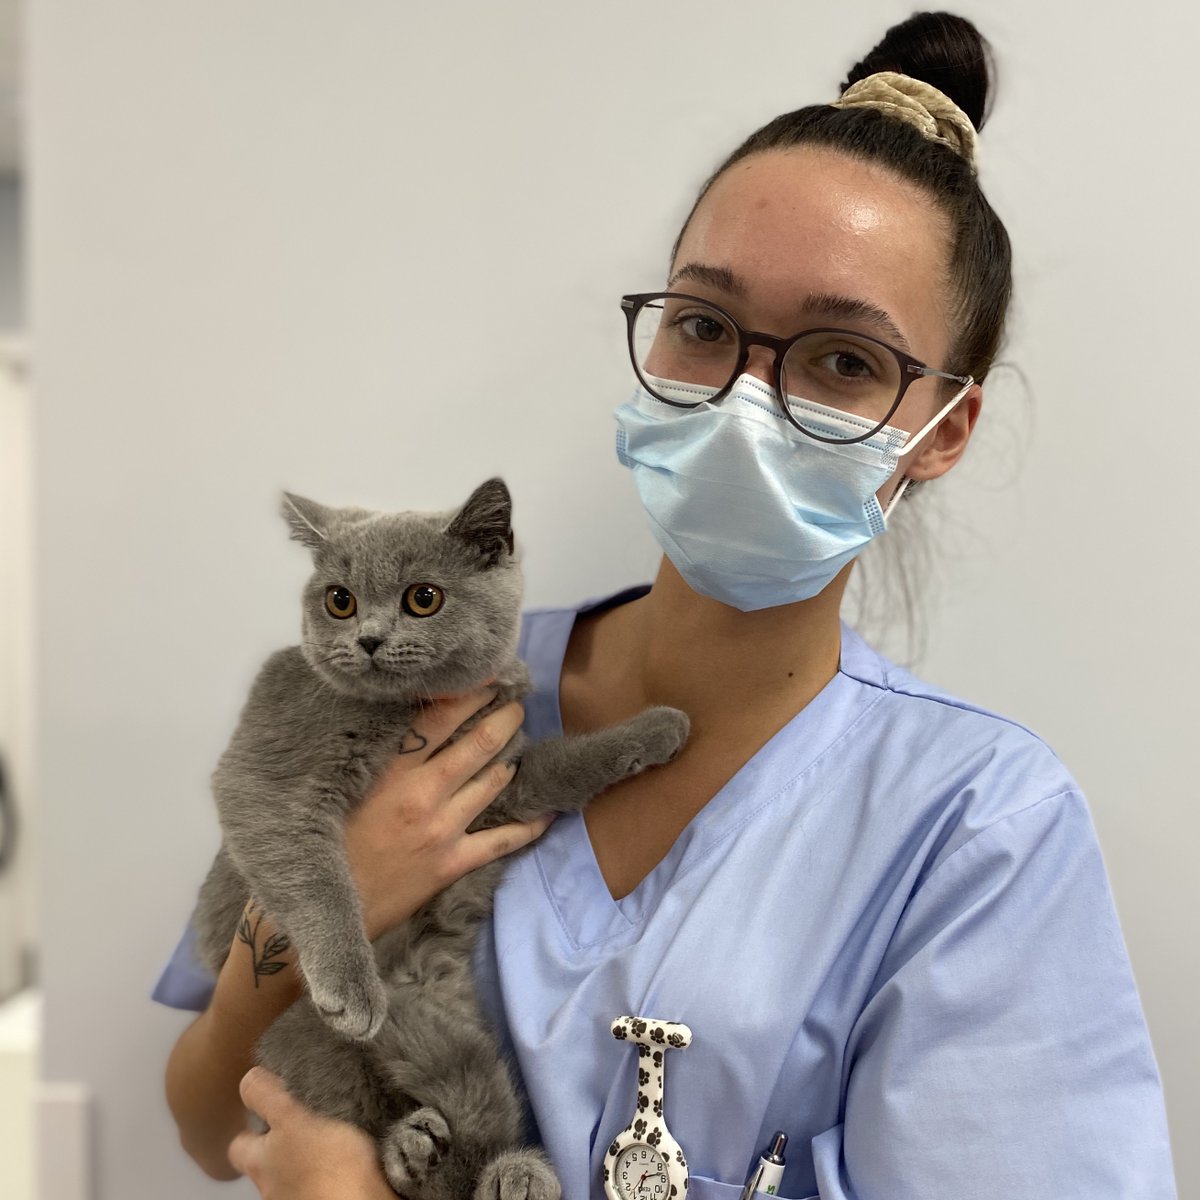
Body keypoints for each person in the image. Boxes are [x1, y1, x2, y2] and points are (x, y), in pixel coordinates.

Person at [155, 12, 1179, 1199]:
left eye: (844, 359)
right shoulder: (422, 696)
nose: (746, 402)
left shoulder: (978, 830)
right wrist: (311, 928)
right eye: (704, 326)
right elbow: (198, 1117)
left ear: (941, 431)